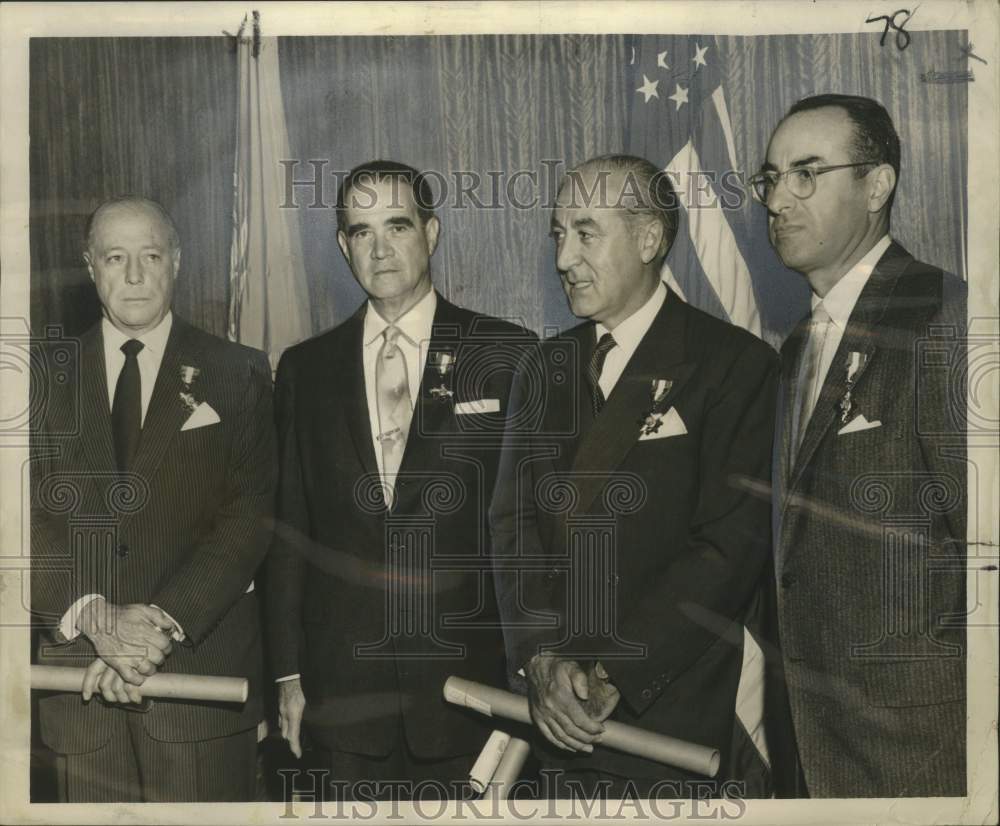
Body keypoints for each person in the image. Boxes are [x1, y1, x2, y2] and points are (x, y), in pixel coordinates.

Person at [489, 154, 779, 798]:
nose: (564, 259)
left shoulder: (735, 365)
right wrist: (541, 658)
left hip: (669, 722)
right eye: (558, 234)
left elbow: (728, 549)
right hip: (555, 723)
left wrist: (612, 671)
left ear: (649, 238)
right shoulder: (542, 368)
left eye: (586, 232)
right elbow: (512, 531)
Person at [265, 160, 533, 800]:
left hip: (473, 691)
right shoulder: (305, 368)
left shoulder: (509, 354)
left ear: (432, 233)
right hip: (343, 699)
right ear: (342, 245)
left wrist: (531, 677)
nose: (380, 249)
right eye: (361, 232)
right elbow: (288, 529)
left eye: (397, 225)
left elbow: (534, 531)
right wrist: (287, 676)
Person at [751, 93, 967, 797]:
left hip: (922, 752)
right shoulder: (795, 350)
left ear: (876, 186)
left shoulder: (944, 316)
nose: (779, 197)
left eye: (808, 172)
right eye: (772, 176)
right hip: (814, 750)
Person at [30, 196, 276, 802]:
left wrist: (155, 628)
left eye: (151, 255)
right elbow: (20, 517)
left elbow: (251, 517)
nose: (135, 275)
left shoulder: (239, 371)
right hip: (78, 690)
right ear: (91, 267)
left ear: (178, 262)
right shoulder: (35, 377)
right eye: (116, 257)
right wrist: (95, 620)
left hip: (199, 689)